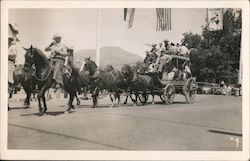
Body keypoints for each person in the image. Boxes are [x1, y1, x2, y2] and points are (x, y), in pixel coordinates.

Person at [8, 23, 19, 110]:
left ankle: (10, 82)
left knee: (9, 79)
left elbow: (13, 55)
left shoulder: (13, 46)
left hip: (9, 62)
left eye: (8, 40)